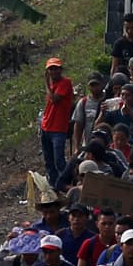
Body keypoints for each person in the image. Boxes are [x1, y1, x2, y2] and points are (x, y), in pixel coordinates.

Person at [40, 56, 77, 186]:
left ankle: (68, 183)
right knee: (49, 161)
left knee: (59, 161)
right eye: (51, 69)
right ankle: (55, 186)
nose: (54, 72)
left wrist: (46, 83)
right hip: (47, 126)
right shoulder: (52, 85)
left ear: (61, 70)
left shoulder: (65, 83)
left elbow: (55, 99)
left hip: (58, 129)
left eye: (56, 69)